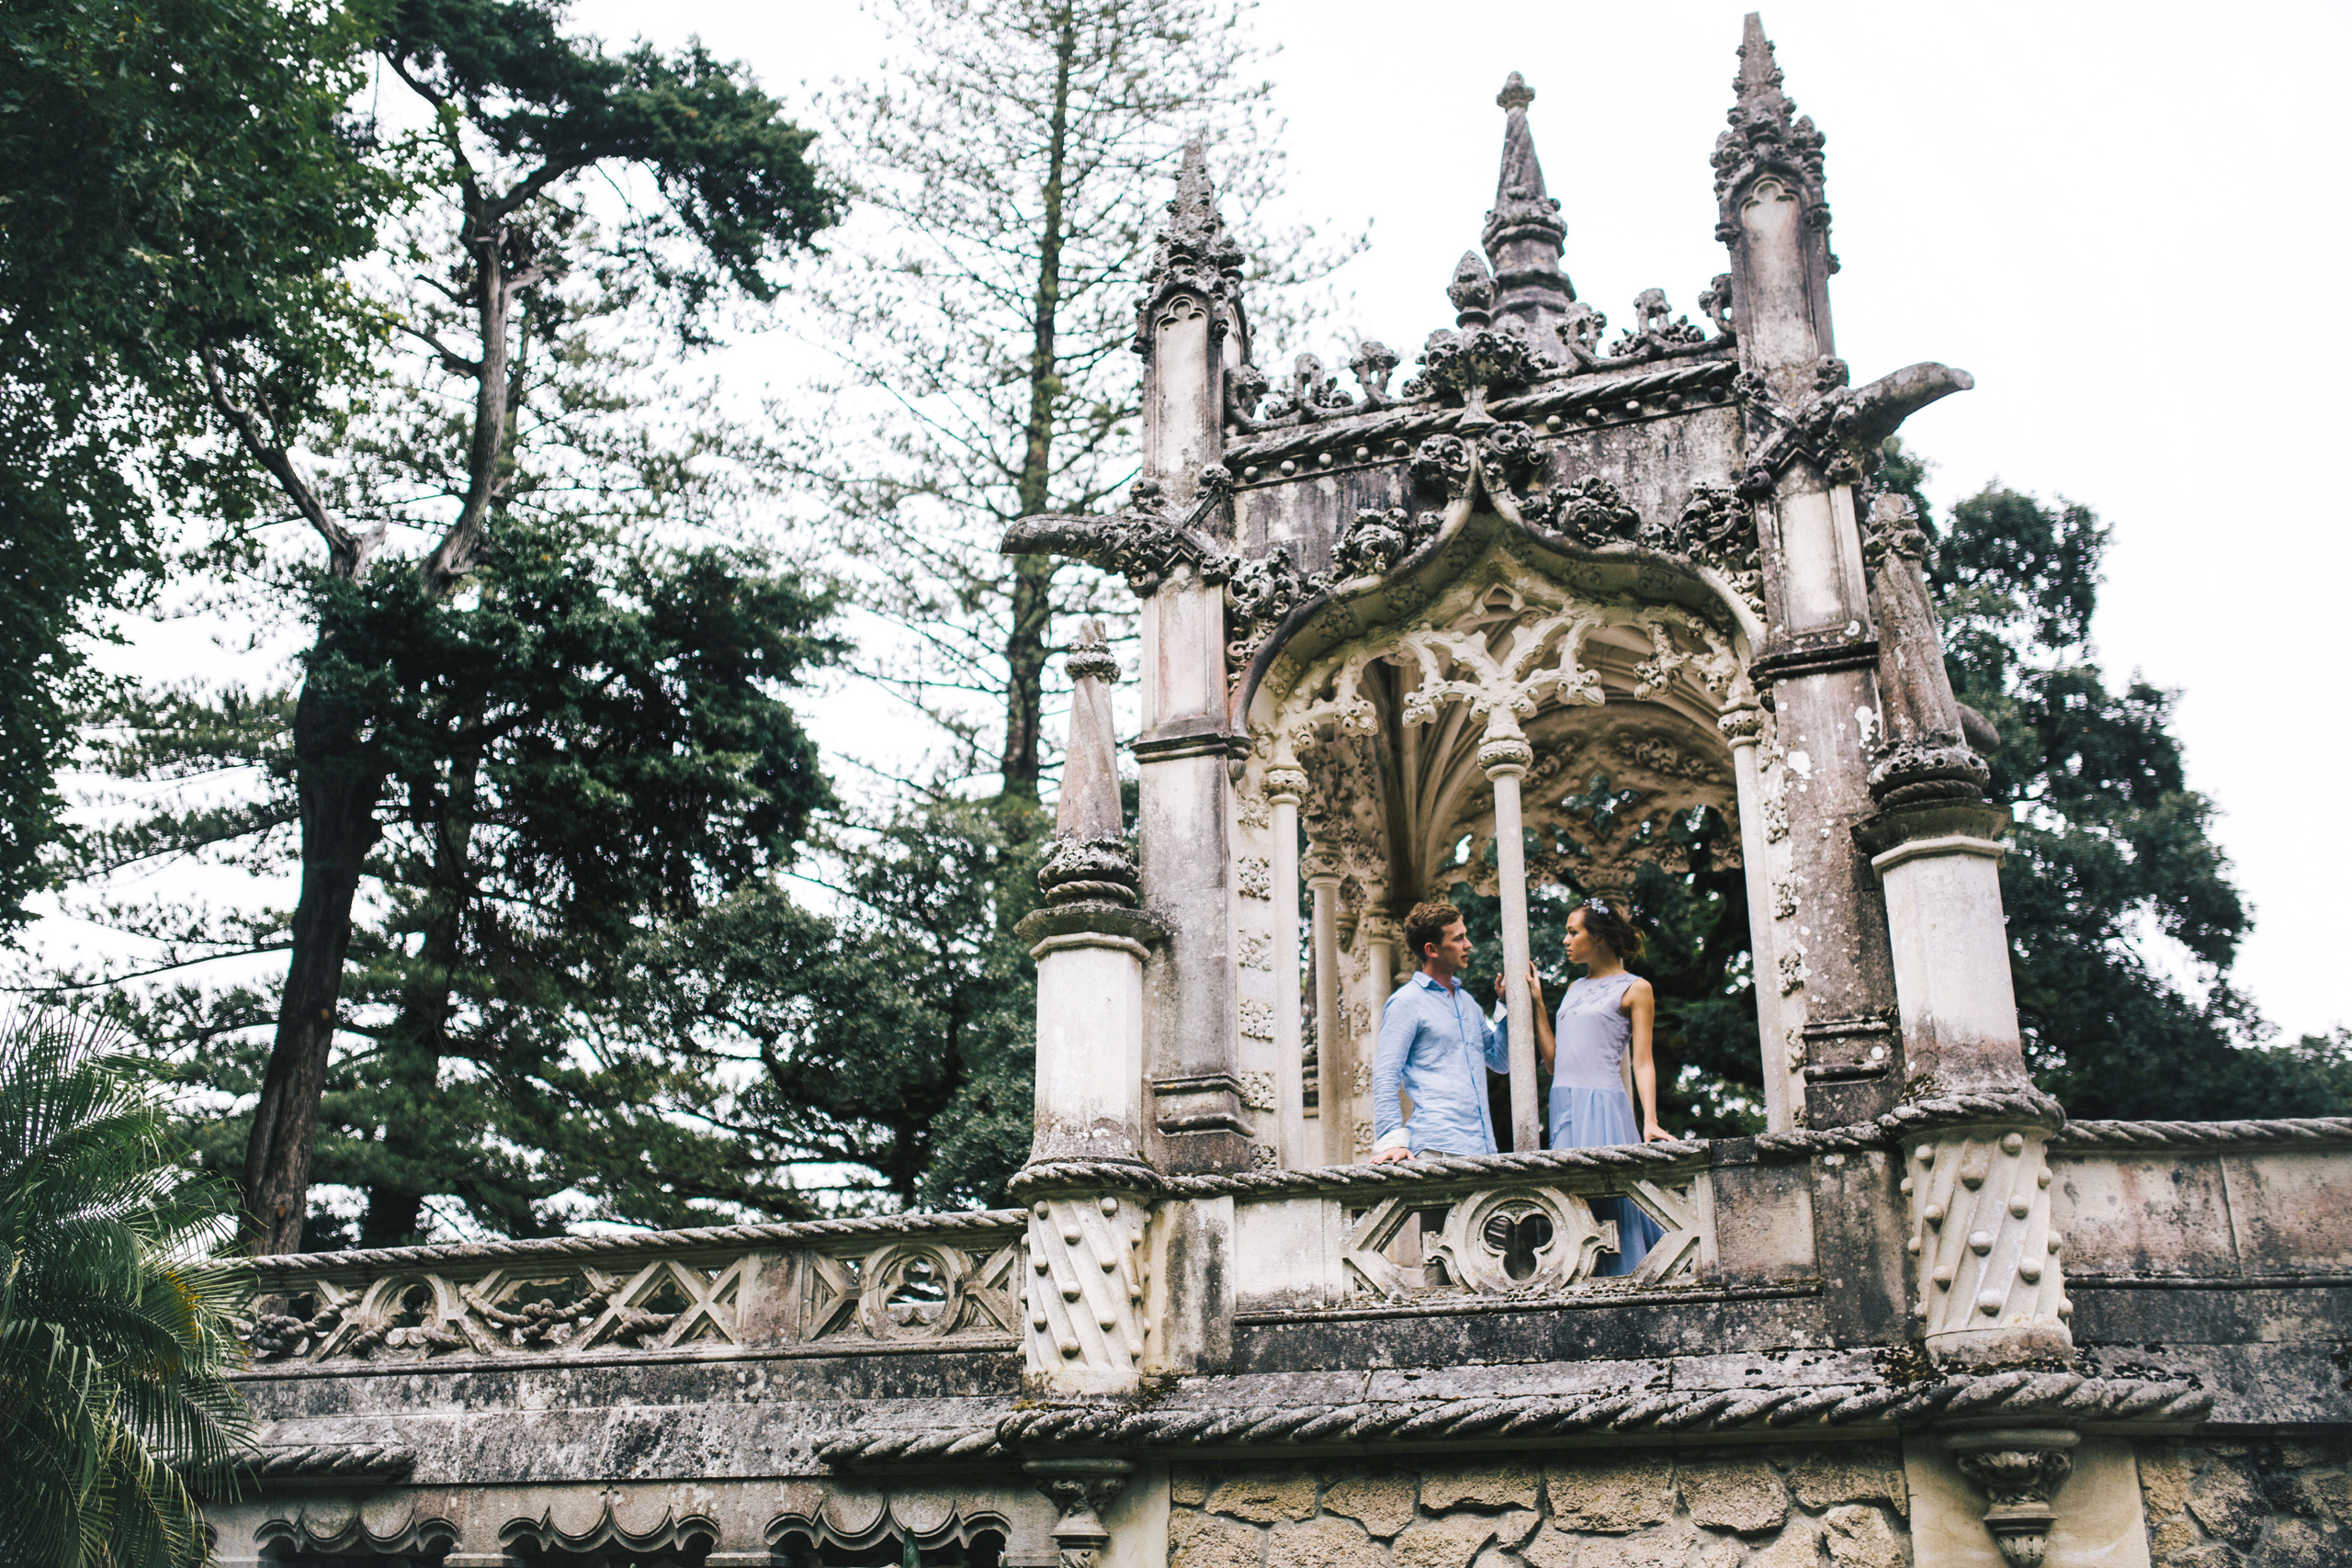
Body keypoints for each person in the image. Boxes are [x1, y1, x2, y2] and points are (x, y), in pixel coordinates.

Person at [1528, 897, 1669, 1275]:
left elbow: (1642, 1061)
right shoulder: (1573, 988)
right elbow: (1554, 1063)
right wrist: (1539, 1005)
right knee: (1571, 1207)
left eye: (1573, 932)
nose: (1565, 940)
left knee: (1611, 1208)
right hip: (1565, 1105)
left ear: (1601, 938)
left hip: (1603, 1107)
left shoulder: (1637, 988)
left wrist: (1650, 1120)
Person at [1368, 900, 1511, 1162]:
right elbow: (1385, 1074)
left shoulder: (1467, 1002)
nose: (1468, 945)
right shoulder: (1406, 1002)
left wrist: (1503, 1005)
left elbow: (1500, 1061)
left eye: (1465, 936)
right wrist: (1391, 1142)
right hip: (1436, 1147)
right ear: (1431, 950)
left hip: (1482, 1147)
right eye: (1458, 939)